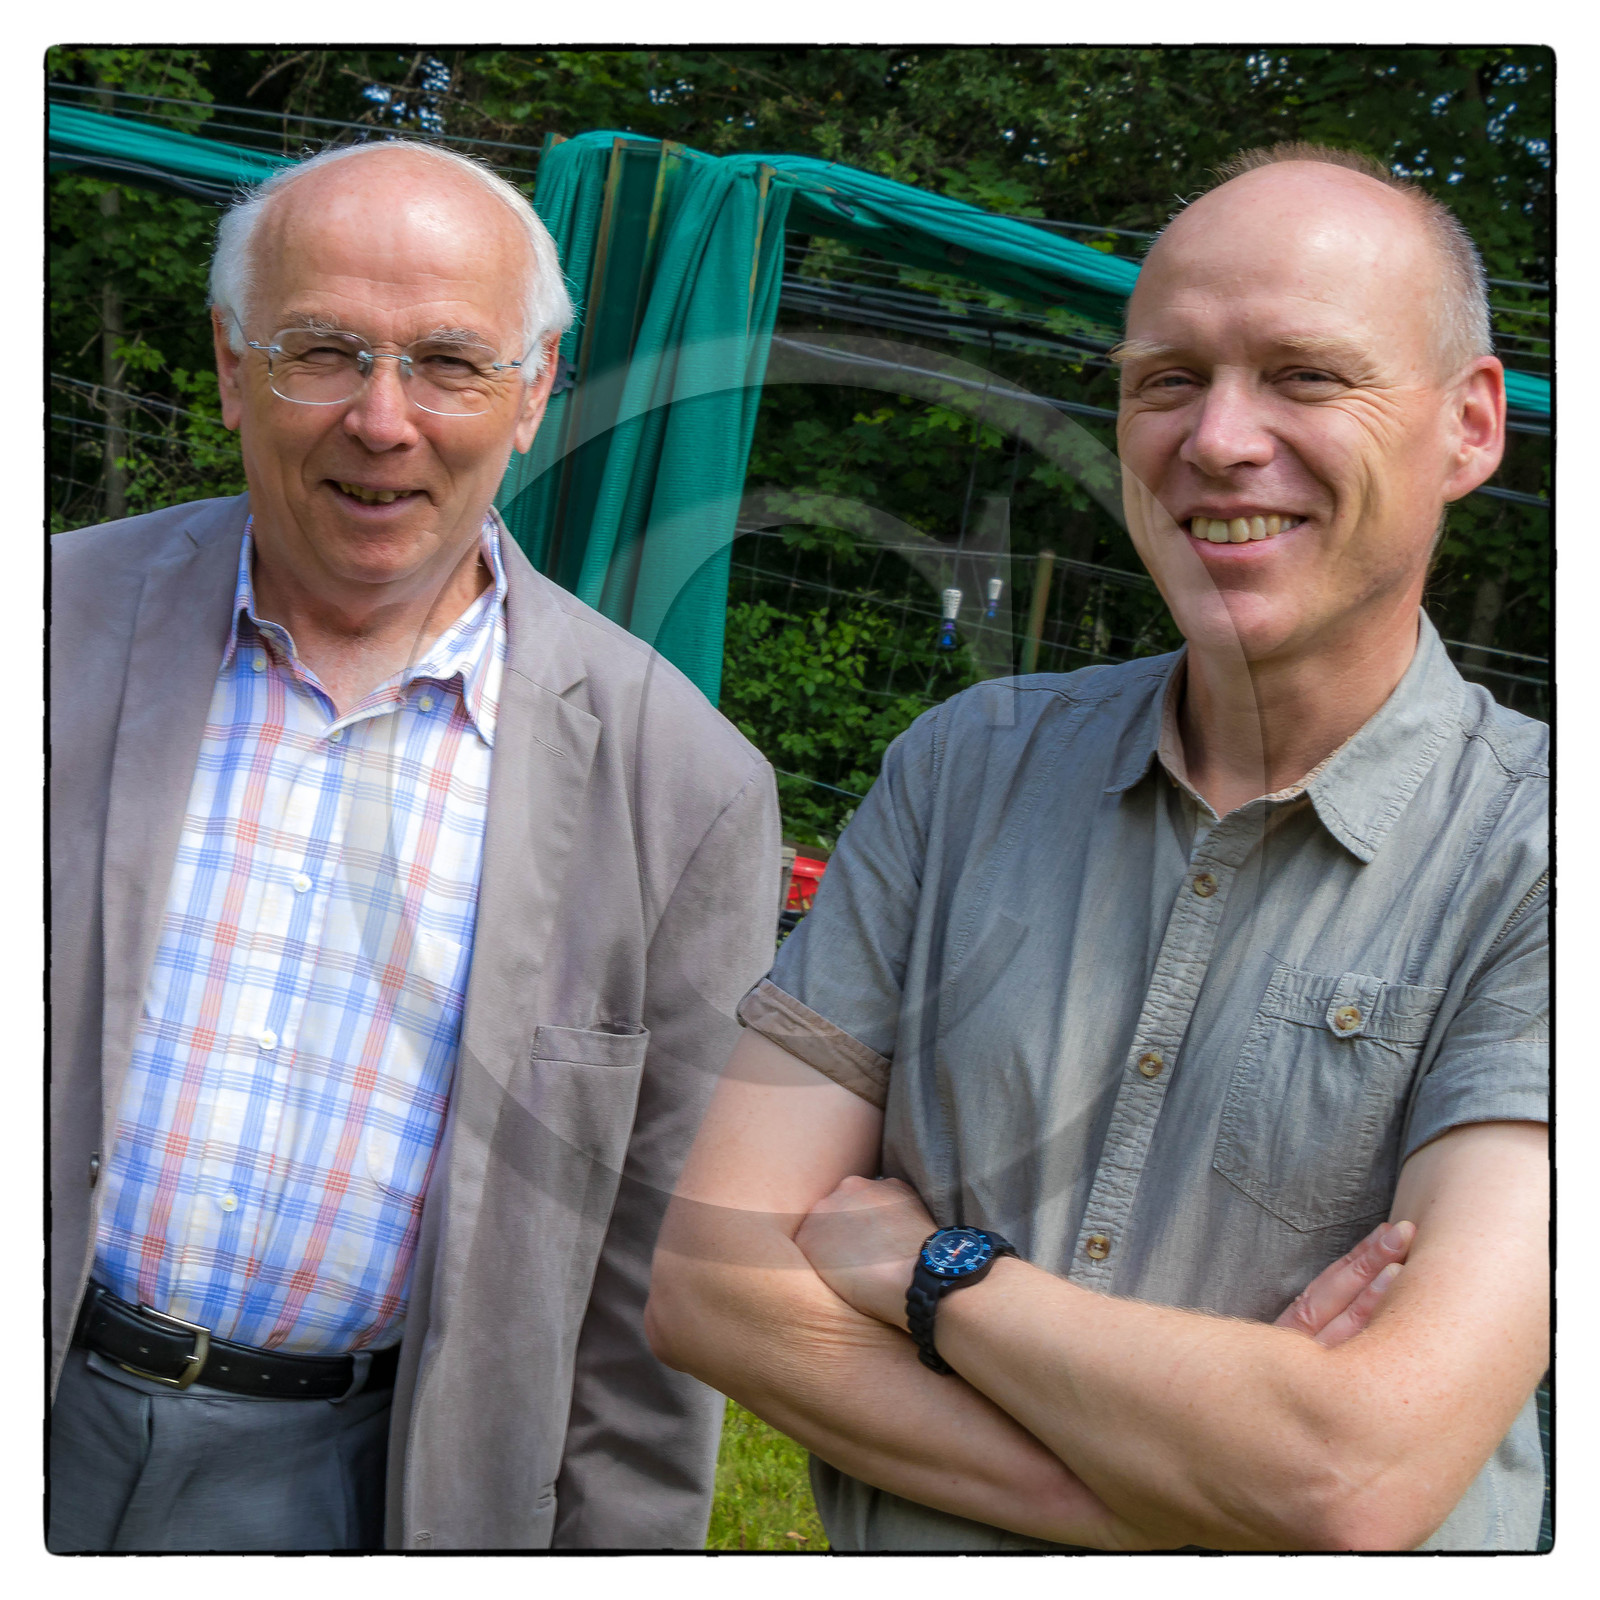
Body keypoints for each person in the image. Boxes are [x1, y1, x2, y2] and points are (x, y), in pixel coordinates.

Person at [646, 143, 1548, 1552]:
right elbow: (708, 1279)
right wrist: (1195, 1510)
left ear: (1469, 425)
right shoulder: (966, 769)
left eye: (1306, 374)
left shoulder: (1545, 856)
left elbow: (1359, 1471)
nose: (1219, 439)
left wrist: (935, 1277)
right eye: (1167, 379)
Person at [49, 138, 780, 1552]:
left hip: (370, 1493)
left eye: (450, 363)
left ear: (531, 396)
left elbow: (650, 1301)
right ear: (228, 364)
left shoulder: (686, 788)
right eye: (322, 349)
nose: (384, 420)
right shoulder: (44, 631)